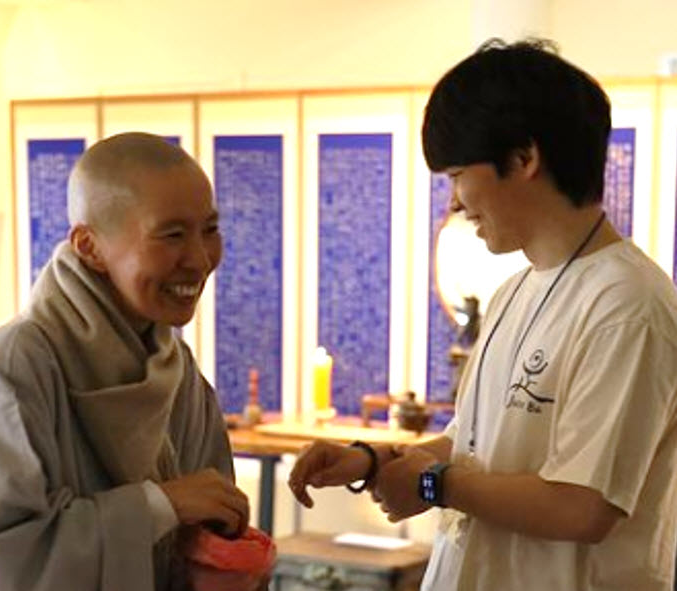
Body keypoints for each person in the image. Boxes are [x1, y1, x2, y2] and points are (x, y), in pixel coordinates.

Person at [289, 39, 677, 591]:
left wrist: (432, 487)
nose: (453, 202)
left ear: (523, 159)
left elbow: (582, 507)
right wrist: (374, 462)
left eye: (455, 174)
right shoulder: (514, 291)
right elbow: (475, 445)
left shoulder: (626, 307)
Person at [0, 132, 250, 590]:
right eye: (172, 235)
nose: (199, 259)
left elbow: (206, 534)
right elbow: (1, 567)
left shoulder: (180, 376)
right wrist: (159, 507)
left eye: (210, 230)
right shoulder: (14, 368)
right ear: (89, 246)